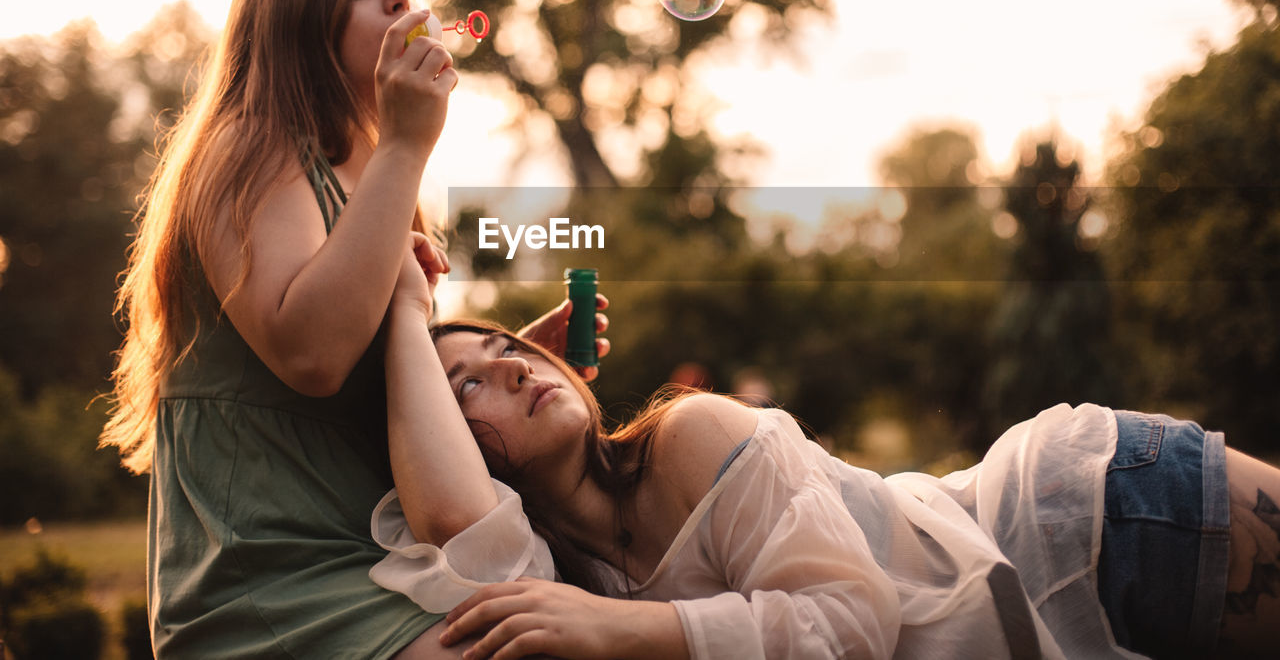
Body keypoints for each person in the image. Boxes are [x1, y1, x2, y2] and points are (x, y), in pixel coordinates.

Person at [369, 245, 1280, 659]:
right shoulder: (562, 580)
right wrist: (411, 320)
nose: (517, 368)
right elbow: (453, 518)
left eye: (512, 349)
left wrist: (638, 632)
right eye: (469, 386)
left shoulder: (690, 433)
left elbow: (852, 619)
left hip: (1096, 519)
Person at [98, 0, 600, 659]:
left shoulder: (376, 182)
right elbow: (313, 353)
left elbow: (387, 365)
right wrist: (404, 144)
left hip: (374, 557)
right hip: (271, 576)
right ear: (300, 35)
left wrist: (508, 360)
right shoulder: (251, 143)